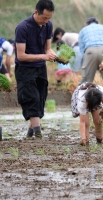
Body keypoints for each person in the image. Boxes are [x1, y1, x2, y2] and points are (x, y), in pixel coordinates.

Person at [14, 0, 56, 138]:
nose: (46, 21)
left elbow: (47, 48)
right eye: (44, 18)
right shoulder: (23, 27)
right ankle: (38, 132)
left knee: (40, 97)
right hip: (25, 68)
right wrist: (44, 56)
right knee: (31, 97)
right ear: (36, 12)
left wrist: (50, 54)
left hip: (40, 67)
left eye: (49, 18)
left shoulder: (48, 25)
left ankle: (31, 132)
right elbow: (21, 56)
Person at [78, 17, 103, 88]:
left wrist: (87, 59)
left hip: (90, 51)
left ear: (86, 24)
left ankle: (81, 96)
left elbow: (81, 48)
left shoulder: (83, 30)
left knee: (86, 79)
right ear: (98, 22)